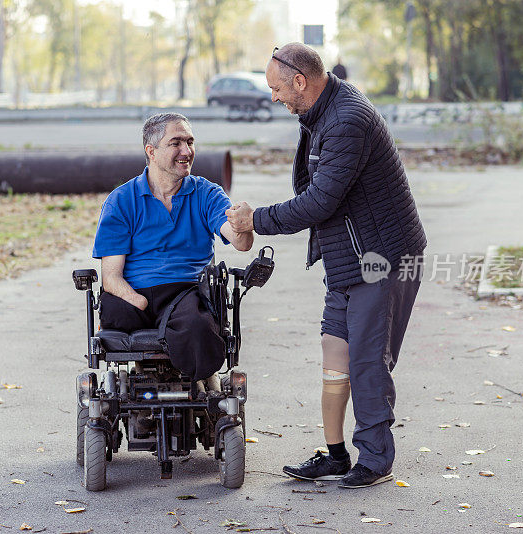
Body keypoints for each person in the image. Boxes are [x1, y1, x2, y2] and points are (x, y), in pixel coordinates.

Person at [226, 43, 427, 489]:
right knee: (335, 354)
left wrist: (256, 219)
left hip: (381, 259)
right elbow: (315, 190)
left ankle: (374, 460)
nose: (274, 97)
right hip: (347, 259)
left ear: (300, 81)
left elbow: (319, 200)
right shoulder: (320, 112)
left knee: (367, 362)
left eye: (277, 88)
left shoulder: (346, 120)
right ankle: (336, 455)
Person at [93, 112, 253, 383]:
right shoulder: (121, 200)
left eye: (190, 142)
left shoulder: (206, 193)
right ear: (151, 151)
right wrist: (141, 303)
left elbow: (241, 242)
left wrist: (245, 223)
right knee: (115, 311)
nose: (186, 151)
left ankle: (206, 389)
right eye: (176, 143)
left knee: (198, 325)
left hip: (184, 291)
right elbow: (111, 277)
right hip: (135, 295)